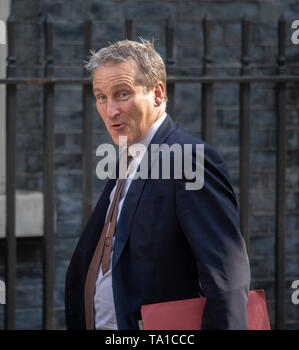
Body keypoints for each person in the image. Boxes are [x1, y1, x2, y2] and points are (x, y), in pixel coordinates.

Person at [65, 38, 250, 330]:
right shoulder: (130, 155)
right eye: (101, 97)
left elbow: (227, 278)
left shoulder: (188, 159)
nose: (110, 110)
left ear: (157, 94)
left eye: (122, 94)